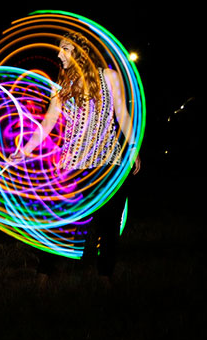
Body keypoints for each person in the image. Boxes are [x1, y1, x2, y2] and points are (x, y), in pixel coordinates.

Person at [10, 31, 141, 283]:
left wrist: (133, 147)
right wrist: (23, 150)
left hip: (108, 163)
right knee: (59, 221)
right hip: (74, 165)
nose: (59, 54)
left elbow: (122, 114)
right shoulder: (63, 87)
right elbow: (47, 123)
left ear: (81, 52)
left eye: (65, 49)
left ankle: (104, 278)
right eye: (60, 49)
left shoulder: (109, 77)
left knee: (109, 224)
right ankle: (44, 274)